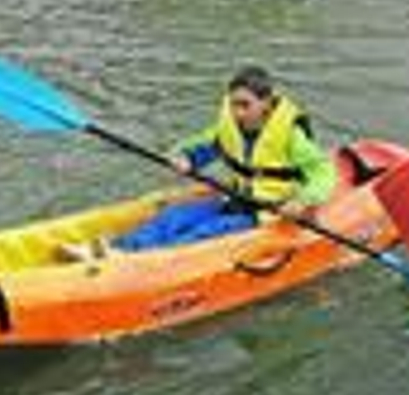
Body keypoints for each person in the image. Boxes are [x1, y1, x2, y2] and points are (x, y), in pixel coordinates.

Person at [76, 66, 337, 256]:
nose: (237, 112)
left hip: (267, 212)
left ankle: (134, 261)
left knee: (202, 235)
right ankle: (118, 248)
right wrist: (186, 159)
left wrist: (302, 201)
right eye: (234, 104)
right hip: (233, 198)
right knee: (173, 217)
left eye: (245, 105)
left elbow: (324, 173)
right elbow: (205, 147)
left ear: (266, 103)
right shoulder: (231, 126)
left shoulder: (291, 136)